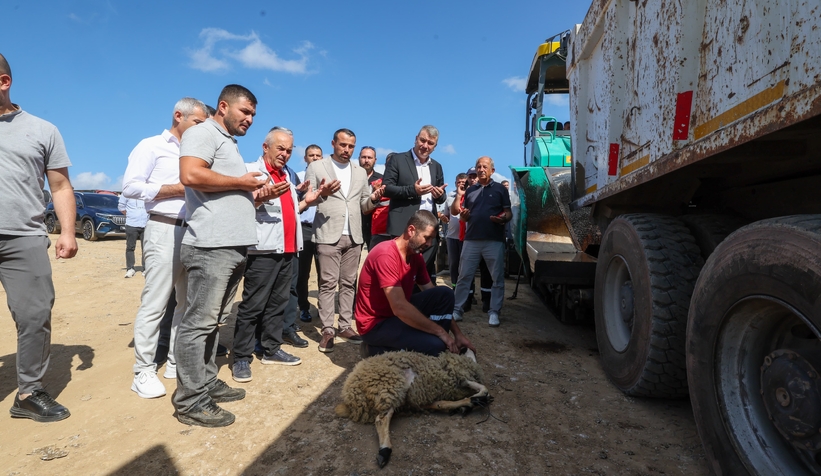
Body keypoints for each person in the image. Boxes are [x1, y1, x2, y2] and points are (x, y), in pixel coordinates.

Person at [175, 84, 277, 427]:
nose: (250, 119)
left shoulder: (228, 143)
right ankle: (190, 401)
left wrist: (256, 195)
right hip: (210, 246)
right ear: (223, 106)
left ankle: (205, 382)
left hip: (231, 246)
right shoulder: (203, 133)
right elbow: (190, 175)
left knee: (214, 321)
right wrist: (243, 184)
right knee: (198, 324)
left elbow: (224, 192)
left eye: (253, 115)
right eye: (245, 112)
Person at [0, 52, 78, 422]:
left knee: (35, 314)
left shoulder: (43, 130)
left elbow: (60, 185)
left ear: (4, 82)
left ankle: (29, 392)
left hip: (23, 236)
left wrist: (68, 231)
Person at [122, 97, 208, 399]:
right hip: (163, 227)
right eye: (197, 122)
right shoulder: (151, 146)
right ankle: (143, 370)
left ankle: (174, 361)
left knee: (186, 303)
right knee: (156, 302)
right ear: (178, 116)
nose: (201, 129)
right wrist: (178, 188)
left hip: (195, 231)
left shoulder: (197, 153)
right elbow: (130, 187)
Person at [231, 127, 322, 383]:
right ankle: (241, 356)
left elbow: (290, 212)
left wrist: (308, 201)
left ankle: (270, 348)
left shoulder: (286, 178)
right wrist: (259, 198)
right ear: (265, 147)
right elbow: (238, 207)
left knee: (277, 303)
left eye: (289, 150)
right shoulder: (251, 172)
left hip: (288, 250)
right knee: (253, 305)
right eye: (280, 148)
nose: (285, 154)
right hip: (263, 251)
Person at [304, 128, 384, 353]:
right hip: (328, 231)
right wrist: (323, 193)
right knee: (328, 284)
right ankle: (328, 330)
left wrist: (374, 199)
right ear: (333, 144)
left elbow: (364, 204)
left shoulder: (359, 172)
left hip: (354, 235)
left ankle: (345, 326)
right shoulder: (317, 167)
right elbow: (307, 199)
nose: (347, 149)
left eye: (351, 146)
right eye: (343, 145)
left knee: (349, 283)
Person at [356, 210, 475, 357]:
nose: (430, 244)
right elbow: (399, 307)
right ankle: (373, 349)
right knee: (436, 345)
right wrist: (440, 332)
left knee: (444, 294)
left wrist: (457, 334)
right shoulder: (385, 254)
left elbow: (431, 292)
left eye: (432, 239)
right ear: (411, 230)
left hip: (396, 315)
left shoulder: (415, 256)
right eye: (427, 237)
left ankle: (437, 345)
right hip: (376, 324)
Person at [451, 157, 512, 327]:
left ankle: (494, 312)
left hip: (494, 240)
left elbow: (508, 213)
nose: (481, 169)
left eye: (485, 166)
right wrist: (464, 217)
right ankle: (457, 309)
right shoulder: (470, 190)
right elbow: (463, 214)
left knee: (497, 278)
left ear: (492, 170)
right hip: (471, 239)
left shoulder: (500, 189)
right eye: (478, 166)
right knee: (464, 276)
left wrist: (503, 218)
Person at [382, 126, 448, 283]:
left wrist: (440, 195)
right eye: (422, 140)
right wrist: (412, 190)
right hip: (403, 227)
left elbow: (441, 197)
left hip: (429, 230)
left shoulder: (436, 166)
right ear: (416, 139)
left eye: (430, 143)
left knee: (423, 274)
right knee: (400, 274)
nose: (425, 146)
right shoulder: (398, 160)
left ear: (435, 146)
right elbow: (387, 188)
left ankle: (421, 299)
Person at [296, 145, 323, 323]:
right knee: (302, 272)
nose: (314, 158)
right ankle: (304, 307)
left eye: (318, 155)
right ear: (305, 158)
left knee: (324, 272)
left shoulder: (327, 179)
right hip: (304, 229)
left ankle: (323, 308)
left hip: (322, 228)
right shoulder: (298, 177)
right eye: (311, 155)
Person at [445, 173, 468, 289]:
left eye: (463, 182)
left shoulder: (471, 195)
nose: (461, 184)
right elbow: (446, 216)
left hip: (467, 237)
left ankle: (468, 290)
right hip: (452, 237)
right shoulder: (450, 197)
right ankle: (455, 288)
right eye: (459, 182)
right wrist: (443, 218)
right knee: (454, 264)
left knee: (466, 265)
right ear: (455, 183)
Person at [118, 196, 147, 278]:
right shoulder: (127, 192)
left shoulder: (146, 191)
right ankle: (130, 268)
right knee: (130, 247)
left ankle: (146, 268)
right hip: (131, 224)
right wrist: (131, 214)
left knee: (146, 248)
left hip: (146, 224)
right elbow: (121, 207)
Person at [358, 146, 380, 250]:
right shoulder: (351, 177)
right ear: (359, 158)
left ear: (375, 160)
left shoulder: (382, 179)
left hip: (374, 226)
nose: (366, 160)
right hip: (355, 225)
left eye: (369, 158)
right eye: (363, 157)